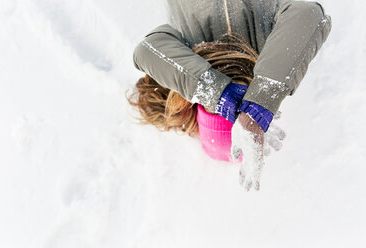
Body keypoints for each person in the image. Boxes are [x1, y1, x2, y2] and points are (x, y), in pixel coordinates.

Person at [129, 0, 332, 191]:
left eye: (215, 108)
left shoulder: (188, 47)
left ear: (194, 101)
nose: (229, 108)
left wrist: (216, 92)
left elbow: (145, 51)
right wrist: (261, 100)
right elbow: (310, 14)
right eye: (239, 111)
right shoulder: (267, 42)